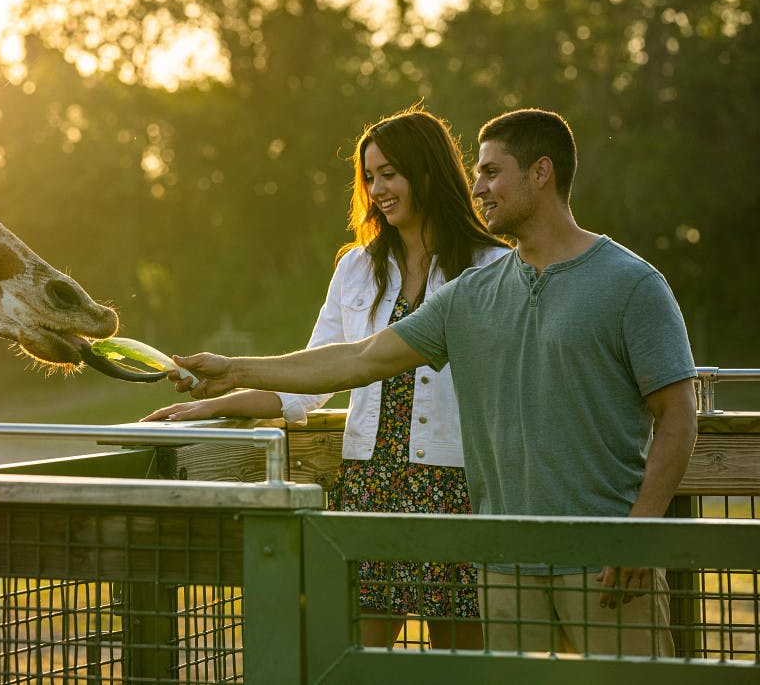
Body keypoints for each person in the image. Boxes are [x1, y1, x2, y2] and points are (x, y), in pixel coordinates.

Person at [150, 108, 698, 657]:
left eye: (491, 172)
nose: (477, 188)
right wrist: (232, 374)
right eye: (477, 173)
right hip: (498, 555)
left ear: (541, 172)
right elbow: (358, 358)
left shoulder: (624, 283)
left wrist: (639, 530)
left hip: (585, 548)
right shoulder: (473, 292)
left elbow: (678, 415)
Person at [145, 106, 508, 650]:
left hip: (456, 486)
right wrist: (214, 402)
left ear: (429, 173)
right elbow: (311, 376)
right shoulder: (356, 268)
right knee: (354, 658)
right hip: (369, 485)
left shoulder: (493, 267)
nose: (377, 190)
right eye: (370, 177)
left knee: (461, 662)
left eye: (390, 173)